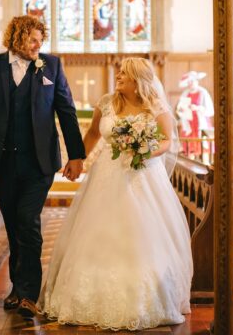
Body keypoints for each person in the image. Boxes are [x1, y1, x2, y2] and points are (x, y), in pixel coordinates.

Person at [39, 57, 192, 331]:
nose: (118, 75)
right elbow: (93, 136)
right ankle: (87, 295)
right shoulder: (107, 102)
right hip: (106, 176)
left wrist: (145, 150)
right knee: (97, 231)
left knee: (141, 233)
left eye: (124, 73)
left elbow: (167, 140)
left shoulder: (155, 104)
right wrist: (78, 161)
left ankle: (145, 297)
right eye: (119, 71)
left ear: (138, 79)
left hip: (143, 176)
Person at [0, 15, 85, 318]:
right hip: (1, 163)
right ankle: (18, 290)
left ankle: (30, 294)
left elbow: (66, 111)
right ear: (17, 38)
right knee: (14, 225)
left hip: (39, 163)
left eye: (40, 40)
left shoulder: (51, 66)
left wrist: (77, 154)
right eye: (32, 39)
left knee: (26, 220)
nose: (38, 45)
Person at [176, 71, 214, 159]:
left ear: (196, 81)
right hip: (189, 123)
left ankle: (205, 165)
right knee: (190, 148)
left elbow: (209, 109)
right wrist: (182, 109)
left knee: (203, 146)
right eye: (188, 82)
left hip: (200, 123)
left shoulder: (203, 92)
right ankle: (191, 166)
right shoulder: (186, 93)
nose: (190, 84)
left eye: (192, 81)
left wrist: (197, 108)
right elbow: (180, 107)